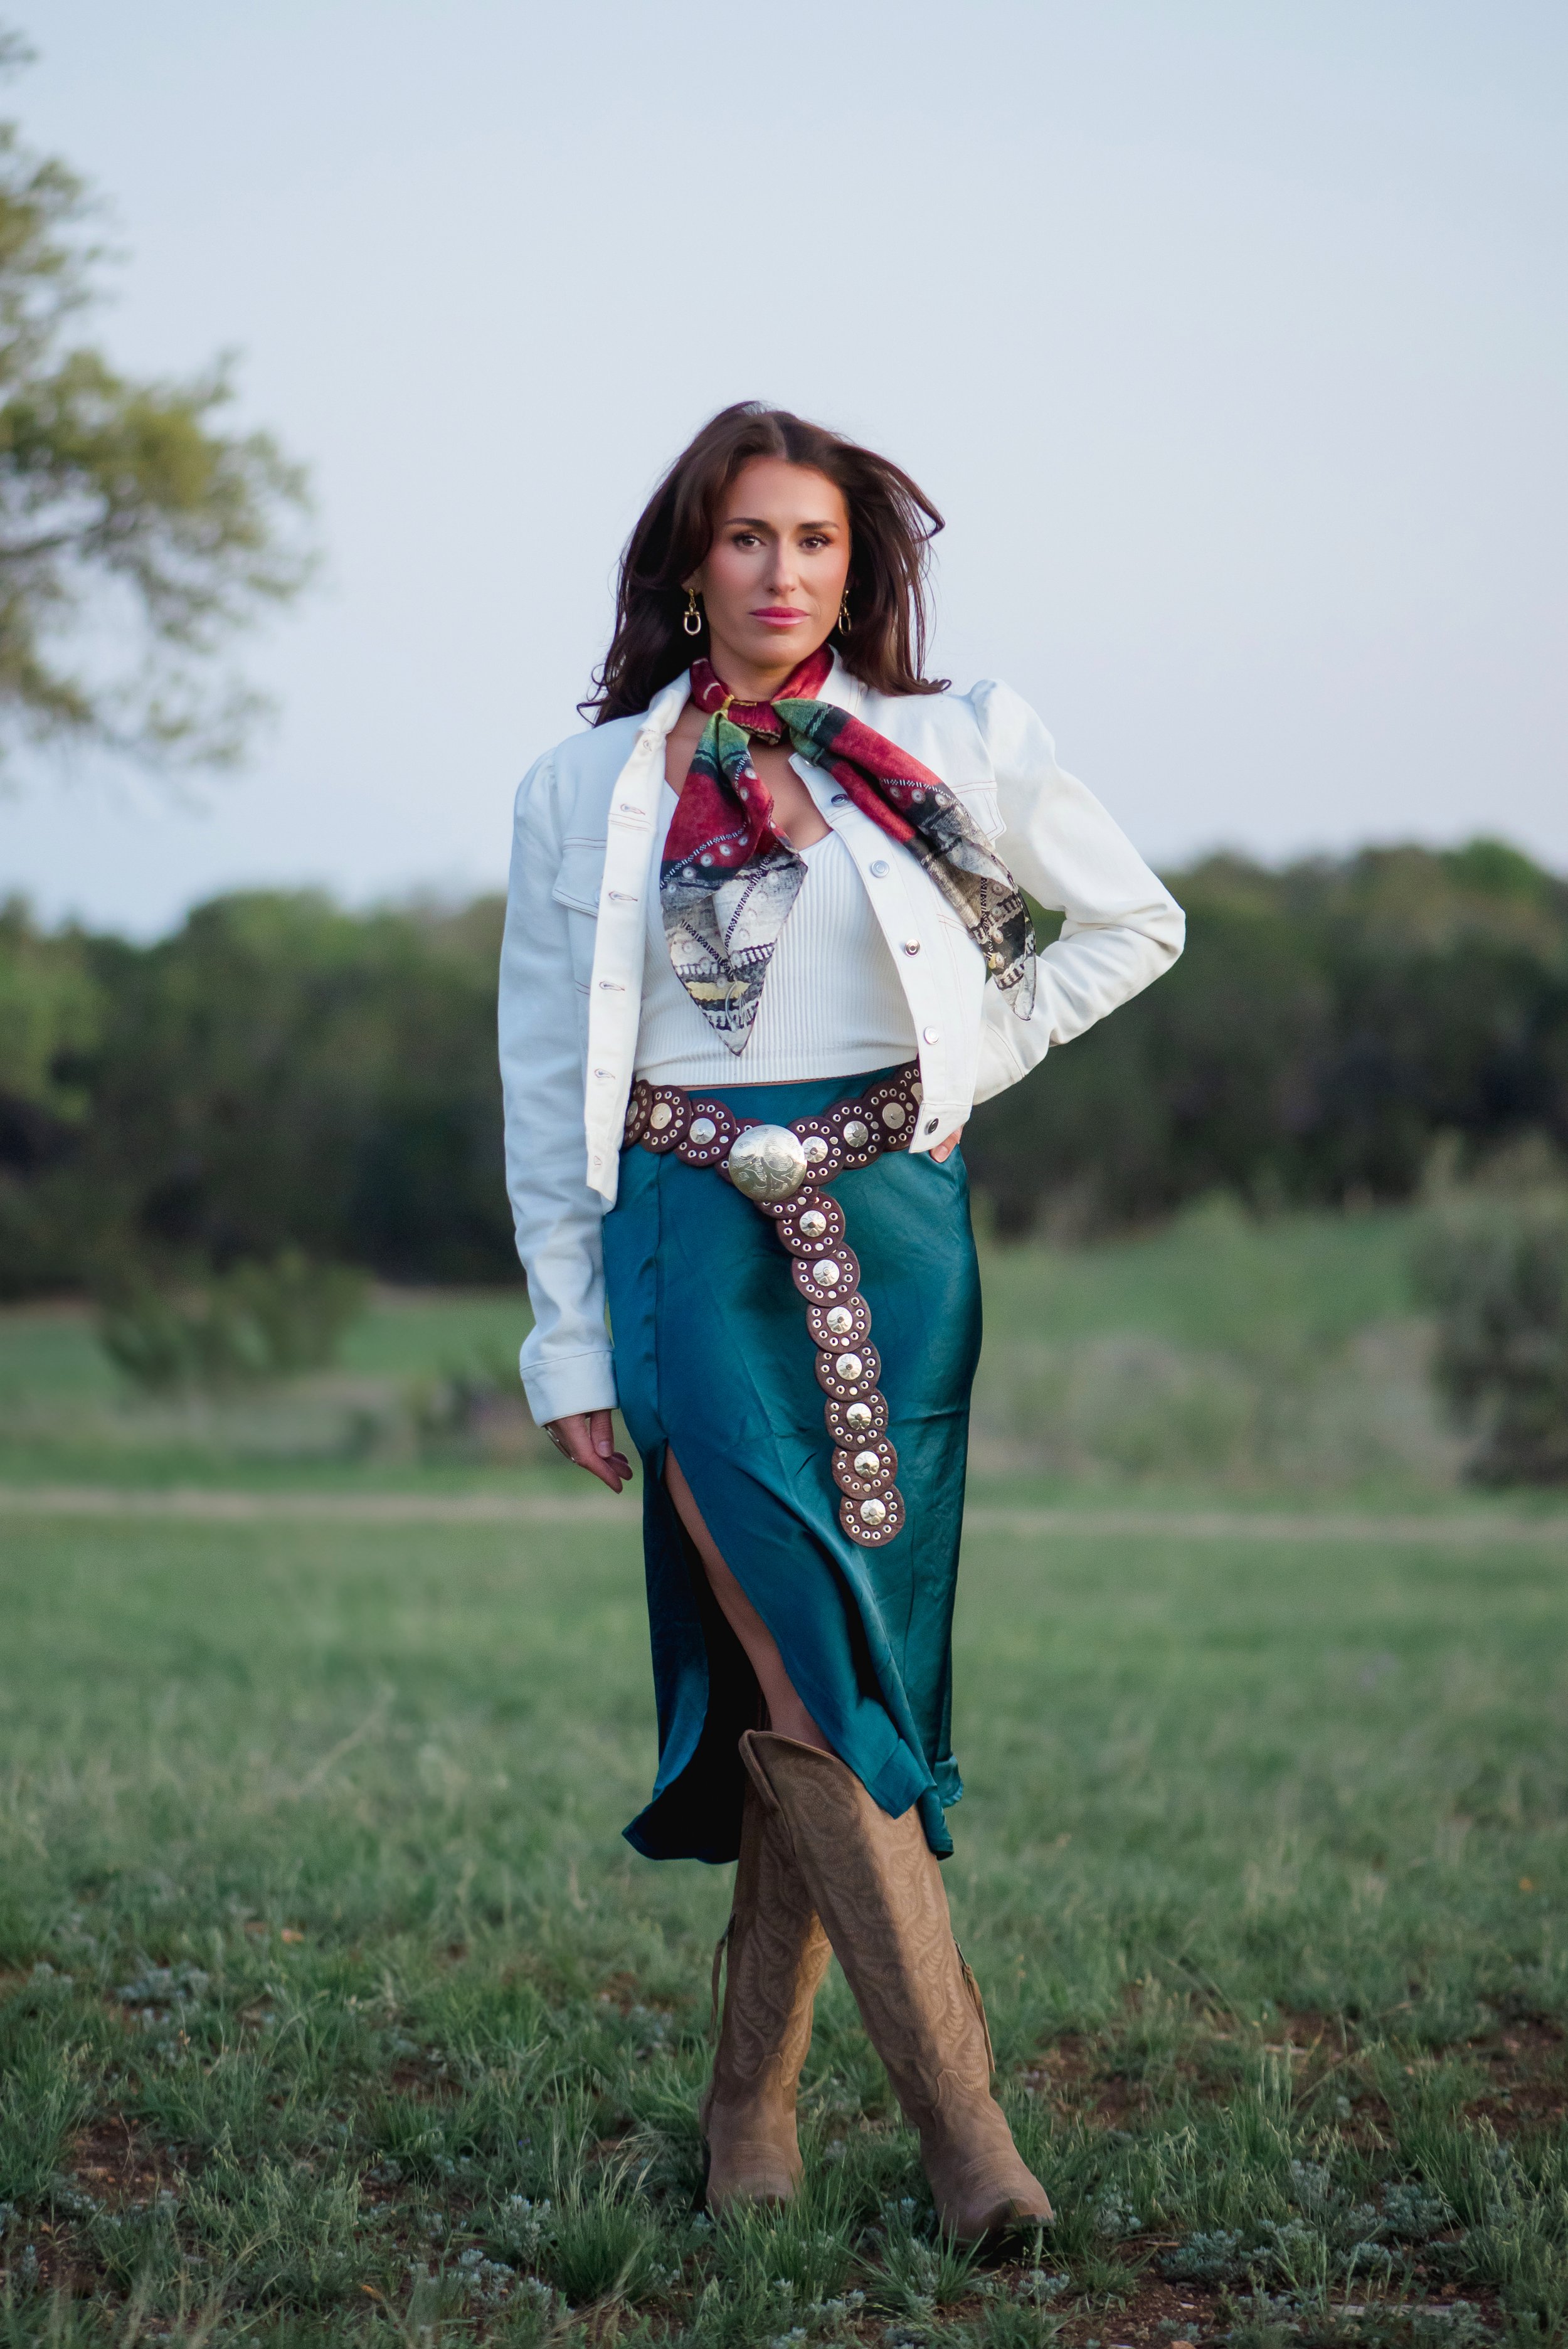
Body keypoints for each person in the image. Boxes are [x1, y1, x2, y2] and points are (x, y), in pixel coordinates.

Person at [498, 402, 1184, 2237]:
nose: (779, 571)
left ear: (857, 562)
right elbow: (538, 1069)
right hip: (678, 1229)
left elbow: (1128, 925)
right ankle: (970, 2143)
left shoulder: (953, 743)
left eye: (811, 540)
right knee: (802, 1645)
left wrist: (962, 1063)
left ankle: (750, 2118)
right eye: (744, 539)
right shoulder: (581, 791)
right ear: (687, 562)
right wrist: (566, 1338)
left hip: (896, 1227)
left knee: (834, 1676)